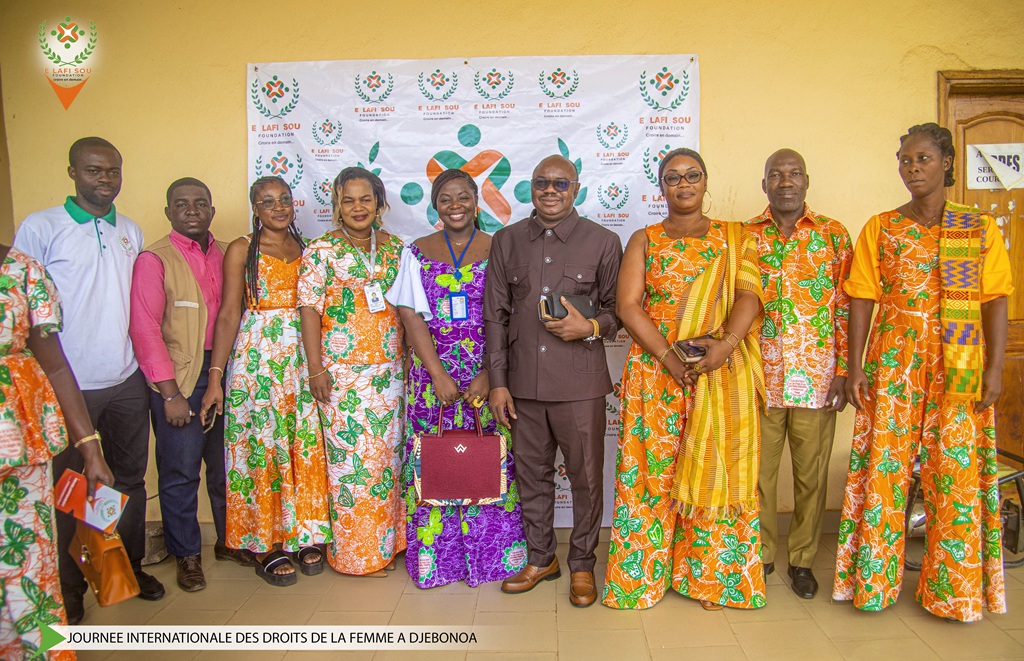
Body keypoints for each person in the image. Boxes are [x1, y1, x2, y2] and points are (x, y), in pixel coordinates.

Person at [834, 123, 1012, 622]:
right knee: (885, 474)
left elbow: (994, 299)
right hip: (895, 365)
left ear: (947, 163)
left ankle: (952, 592)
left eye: (923, 159)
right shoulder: (882, 227)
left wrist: (993, 369)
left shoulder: (974, 229)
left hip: (959, 364)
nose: (912, 168)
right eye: (904, 160)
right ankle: (874, 584)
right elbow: (862, 297)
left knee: (953, 478)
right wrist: (855, 365)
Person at [604, 148, 767, 611]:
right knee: (651, 474)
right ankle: (641, 580)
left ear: (705, 180)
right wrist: (668, 357)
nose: (683, 183)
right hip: (657, 375)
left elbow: (749, 295)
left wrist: (726, 346)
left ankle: (712, 578)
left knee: (714, 468)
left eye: (692, 175)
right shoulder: (644, 238)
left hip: (719, 374)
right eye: (673, 177)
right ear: (662, 187)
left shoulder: (736, 239)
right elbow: (628, 306)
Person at [13, 137, 164, 622]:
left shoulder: (131, 231)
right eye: (95, 170)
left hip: (124, 377)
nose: (105, 179)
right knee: (70, 488)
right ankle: (72, 585)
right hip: (65, 383)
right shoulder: (41, 228)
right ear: (73, 172)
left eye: (113, 171)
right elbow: (21, 305)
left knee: (126, 482)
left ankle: (129, 569)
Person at [484, 155, 622, 607]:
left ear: (576, 188)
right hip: (521, 386)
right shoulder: (506, 241)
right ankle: (542, 558)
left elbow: (619, 311)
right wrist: (499, 383)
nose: (550, 190)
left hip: (579, 386)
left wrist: (591, 328)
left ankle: (582, 564)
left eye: (560, 184)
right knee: (531, 476)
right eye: (541, 182)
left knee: (584, 478)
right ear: (531, 187)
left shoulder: (602, 241)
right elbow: (496, 316)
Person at [385, 169, 527, 588]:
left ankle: (493, 559)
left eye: (463, 197)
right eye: (445, 198)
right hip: (437, 377)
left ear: (476, 201)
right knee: (437, 460)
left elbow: (513, 315)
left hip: (491, 374)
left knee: (492, 459)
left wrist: (489, 373)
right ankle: (439, 561)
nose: (455, 205)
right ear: (434, 205)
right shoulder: (416, 251)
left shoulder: (501, 247)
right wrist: (437, 375)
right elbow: (409, 314)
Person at [200, 176, 330, 586]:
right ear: (255, 207)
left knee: (304, 444)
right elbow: (227, 314)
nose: (278, 208)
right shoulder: (242, 248)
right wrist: (215, 378)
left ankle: (305, 534)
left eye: (285, 200)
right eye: (267, 201)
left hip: (302, 358)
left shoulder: (307, 248)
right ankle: (266, 544)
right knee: (263, 448)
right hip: (258, 362)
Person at [128, 178, 253, 593]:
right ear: (169, 212)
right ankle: (187, 555)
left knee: (224, 468)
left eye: (201, 203)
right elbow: (145, 330)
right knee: (181, 472)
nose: (192, 210)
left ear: (213, 210)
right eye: (182, 204)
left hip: (226, 371)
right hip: (179, 377)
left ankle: (228, 542)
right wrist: (169, 394)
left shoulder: (227, 253)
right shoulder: (155, 258)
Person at [744, 149, 853, 599]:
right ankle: (764, 556)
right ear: (764, 183)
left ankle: (803, 561)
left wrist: (845, 371)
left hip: (818, 375)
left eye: (793, 174)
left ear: (807, 180)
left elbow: (846, 308)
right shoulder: (746, 236)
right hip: (760, 378)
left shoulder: (833, 235)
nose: (785, 181)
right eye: (776, 174)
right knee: (760, 476)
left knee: (812, 477)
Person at [0, 243, 115, 657]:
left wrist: (90, 449)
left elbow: (56, 365)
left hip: (17, 448)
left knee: (25, 562)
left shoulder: (23, 271)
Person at [298, 167, 406, 576]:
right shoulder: (321, 250)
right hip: (341, 376)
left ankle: (389, 544)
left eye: (366, 199)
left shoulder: (395, 248)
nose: (358, 207)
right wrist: (315, 369)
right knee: (351, 468)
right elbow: (309, 308)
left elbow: (408, 310)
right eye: (349, 200)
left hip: (391, 373)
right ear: (337, 207)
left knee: (387, 464)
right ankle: (357, 556)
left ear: (379, 204)